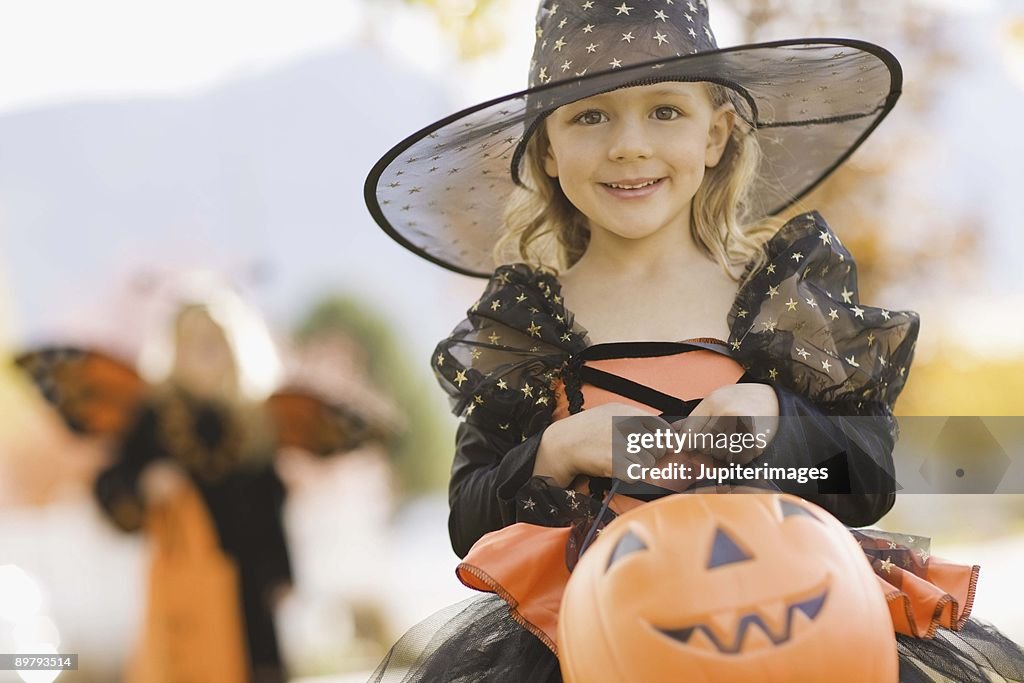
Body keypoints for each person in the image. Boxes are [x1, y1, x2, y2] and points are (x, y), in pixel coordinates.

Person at [364, 1, 1024, 681]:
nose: (629, 144)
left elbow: (869, 477)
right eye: (590, 115)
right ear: (548, 150)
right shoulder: (527, 327)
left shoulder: (780, 303)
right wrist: (558, 449)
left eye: (665, 111)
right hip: (591, 640)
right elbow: (469, 520)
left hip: (783, 616)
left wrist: (775, 420)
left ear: (717, 135)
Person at [16, 281, 374, 683]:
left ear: (236, 346)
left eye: (214, 340)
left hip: (249, 587)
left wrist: (282, 574)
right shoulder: (153, 417)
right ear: (173, 349)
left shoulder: (255, 421)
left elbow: (270, 503)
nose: (203, 351)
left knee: (255, 669)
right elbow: (110, 484)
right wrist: (144, 482)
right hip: (184, 586)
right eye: (191, 341)